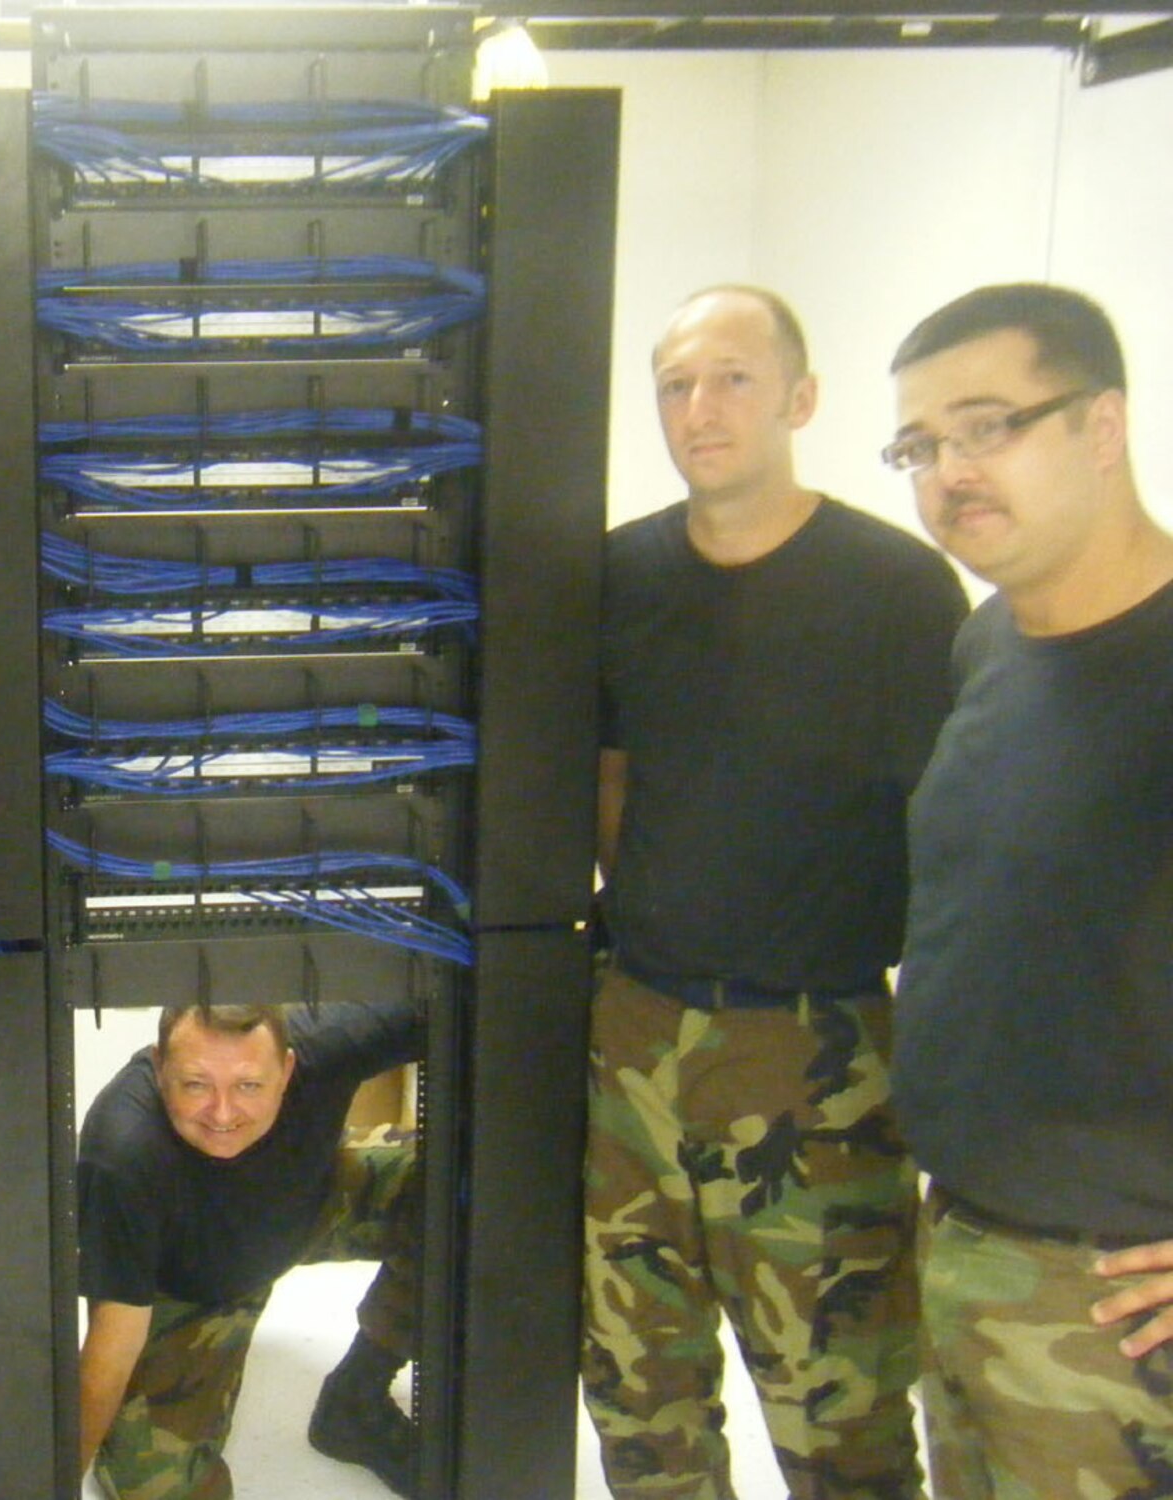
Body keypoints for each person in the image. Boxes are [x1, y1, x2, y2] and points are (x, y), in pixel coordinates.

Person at [581, 285, 968, 1499]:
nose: (700, 409)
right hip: (632, 1036)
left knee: (839, 1415)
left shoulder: (897, 591)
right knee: (638, 1397)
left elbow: (950, 837)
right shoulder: (616, 575)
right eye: (675, 385)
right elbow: (607, 783)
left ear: (800, 398)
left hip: (819, 1053)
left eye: (733, 379)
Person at [886, 283, 1173, 1498]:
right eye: (919, 445)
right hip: (963, 1244)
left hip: (1113, 1308)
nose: (948, 470)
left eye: (986, 425)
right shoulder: (986, 645)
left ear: (1099, 425)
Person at [76, 999, 421, 1500]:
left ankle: (357, 1399)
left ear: (286, 1069)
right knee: (149, 1484)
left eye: (249, 1086)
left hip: (313, 1204)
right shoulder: (122, 1153)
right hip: (192, 1288)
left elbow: (482, 994)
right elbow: (112, 1346)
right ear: (158, 1067)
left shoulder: (331, 1043)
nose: (222, 1112)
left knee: (477, 1183)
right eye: (196, 1085)